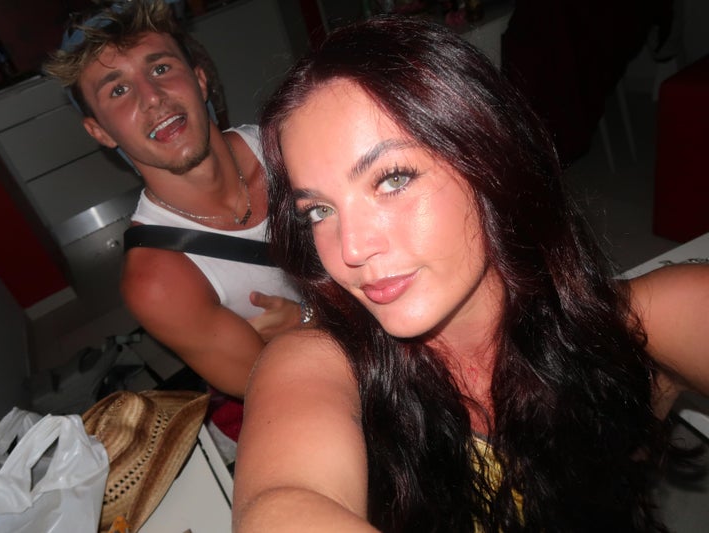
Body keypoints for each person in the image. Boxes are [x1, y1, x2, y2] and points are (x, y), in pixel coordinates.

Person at [232, 16, 709, 532]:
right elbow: (282, 504)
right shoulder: (317, 365)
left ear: (491, 161)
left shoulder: (646, 322)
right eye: (319, 211)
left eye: (392, 179)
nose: (351, 248)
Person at [43, 0, 303, 404]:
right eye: (118, 90)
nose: (152, 97)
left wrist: (307, 324)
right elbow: (279, 397)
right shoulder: (159, 282)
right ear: (99, 131)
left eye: (161, 68)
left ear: (200, 80)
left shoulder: (292, 147)